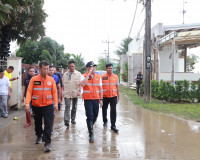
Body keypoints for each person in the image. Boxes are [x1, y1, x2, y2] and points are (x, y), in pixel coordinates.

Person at [25, 60, 58, 153]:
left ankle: (47, 143)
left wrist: (55, 104)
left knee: (48, 123)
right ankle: (39, 135)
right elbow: (29, 92)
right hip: (36, 105)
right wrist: (27, 104)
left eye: (47, 69)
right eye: (44, 69)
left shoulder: (51, 80)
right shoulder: (34, 79)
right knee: (38, 123)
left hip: (48, 105)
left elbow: (55, 93)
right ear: (39, 69)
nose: (46, 71)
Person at [80, 61, 103, 143]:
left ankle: (90, 126)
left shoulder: (98, 76)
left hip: (96, 99)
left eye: (94, 67)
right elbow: (82, 84)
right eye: (91, 67)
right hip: (88, 99)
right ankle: (91, 134)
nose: (93, 68)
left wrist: (101, 99)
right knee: (90, 116)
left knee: (95, 116)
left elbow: (100, 88)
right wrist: (88, 74)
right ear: (88, 68)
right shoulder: (83, 76)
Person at [101, 63, 120, 133]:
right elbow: (100, 87)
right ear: (106, 69)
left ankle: (113, 125)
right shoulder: (102, 77)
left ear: (113, 69)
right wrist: (100, 98)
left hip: (113, 96)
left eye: (111, 68)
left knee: (113, 111)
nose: (110, 69)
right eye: (109, 68)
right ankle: (105, 121)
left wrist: (118, 96)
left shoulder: (116, 77)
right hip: (105, 96)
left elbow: (117, 87)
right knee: (104, 109)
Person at [63, 60, 81, 128]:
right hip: (67, 93)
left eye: (72, 66)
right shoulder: (65, 74)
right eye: (70, 66)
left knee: (74, 107)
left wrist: (79, 91)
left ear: (75, 66)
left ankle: (73, 119)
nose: (71, 67)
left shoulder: (78, 74)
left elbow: (80, 84)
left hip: (75, 93)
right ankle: (66, 121)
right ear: (68, 66)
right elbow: (63, 84)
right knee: (67, 106)